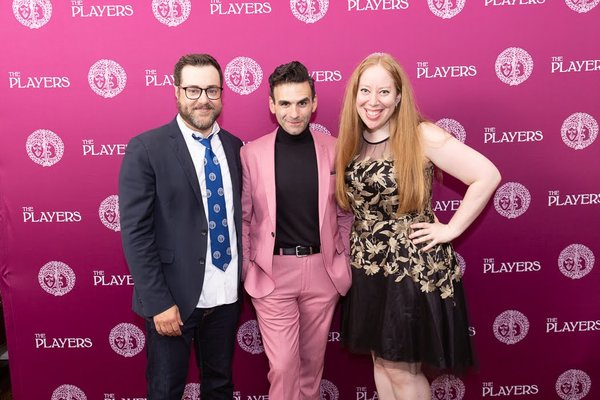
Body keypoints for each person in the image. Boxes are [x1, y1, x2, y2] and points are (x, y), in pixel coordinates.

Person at [335, 53, 501, 399]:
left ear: (398, 96)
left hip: (409, 269)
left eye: (384, 92)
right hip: (366, 266)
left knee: (401, 370)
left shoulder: (421, 135)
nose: (373, 101)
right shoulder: (355, 140)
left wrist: (450, 230)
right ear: (354, 96)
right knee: (380, 364)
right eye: (365, 91)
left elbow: (486, 175)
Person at [119, 53, 243, 400]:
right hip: (172, 298)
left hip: (226, 293)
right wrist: (158, 302)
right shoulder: (147, 148)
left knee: (220, 385)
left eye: (212, 90)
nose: (203, 99)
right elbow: (135, 232)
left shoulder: (234, 148)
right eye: (193, 89)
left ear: (222, 94)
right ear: (176, 92)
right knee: (165, 390)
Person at [241, 61, 352, 400]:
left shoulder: (335, 149)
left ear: (314, 103)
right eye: (285, 103)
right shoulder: (252, 153)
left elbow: (346, 215)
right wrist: (250, 266)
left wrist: (342, 259)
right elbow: (244, 218)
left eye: (302, 102)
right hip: (273, 275)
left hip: (323, 272)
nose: (294, 112)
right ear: (272, 106)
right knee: (285, 367)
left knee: (310, 368)